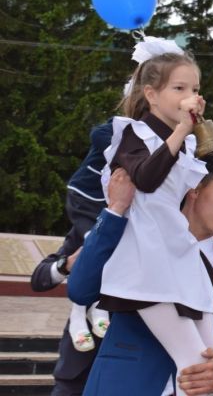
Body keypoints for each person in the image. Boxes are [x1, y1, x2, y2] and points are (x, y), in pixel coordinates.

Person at [68, 153, 213, 395]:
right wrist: (115, 209)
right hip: (122, 386)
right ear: (194, 189)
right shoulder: (136, 238)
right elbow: (80, 289)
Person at [29, 119, 113, 395]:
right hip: (76, 369)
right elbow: (39, 279)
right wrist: (66, 264)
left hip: (122, 367)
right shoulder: (89, 228)